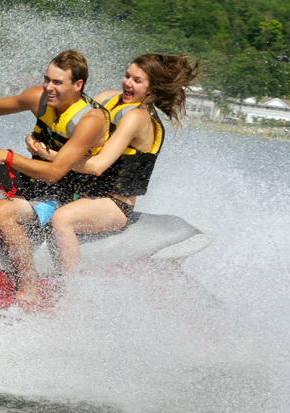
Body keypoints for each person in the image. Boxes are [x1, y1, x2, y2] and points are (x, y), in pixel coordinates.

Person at [0, 49, 110, 304]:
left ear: (78, 85)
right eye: (47, 79)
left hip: (65, 195)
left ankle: (29, 289)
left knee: (3, 211)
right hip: (32, 178)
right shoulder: (39, 98)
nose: (48, 87)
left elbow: (56, 172)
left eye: (57, 82)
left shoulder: (90, 119)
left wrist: (7, 157)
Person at [30, 53, 203, 280]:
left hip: (114, 204)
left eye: (137, 81)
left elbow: (97, 166)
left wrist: (49, 154)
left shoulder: (137, 117)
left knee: (62, 219)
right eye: (127, 76)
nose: (127, 83)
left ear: (152, 89)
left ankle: (68, 295)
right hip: (80, 192)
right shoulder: (108, 98)